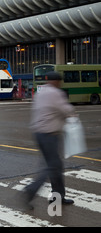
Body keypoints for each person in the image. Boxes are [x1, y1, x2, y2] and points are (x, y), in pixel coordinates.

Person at [24, 71, 76, 208]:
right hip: (49, 135)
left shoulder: (41, 92)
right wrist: (72, 115)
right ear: (56, 81)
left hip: (39, 134)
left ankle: (57, 197)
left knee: (55, 166)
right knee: (52, 167)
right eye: (59, 82)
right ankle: (31, 190)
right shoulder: (55, 93)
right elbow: (66, 110)